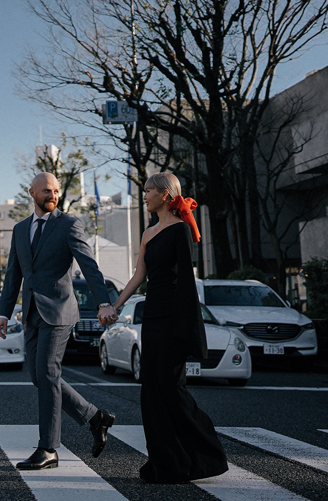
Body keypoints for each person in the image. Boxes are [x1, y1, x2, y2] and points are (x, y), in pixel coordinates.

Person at [107, 172, 229, 483]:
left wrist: (187, 328)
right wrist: (114, 307)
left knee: (172, 389)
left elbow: (187, 284)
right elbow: (138, 277)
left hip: (175, 318)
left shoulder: (180, 231)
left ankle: (206, 456)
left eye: (148, 191)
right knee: (151, 390)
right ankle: (166, 463)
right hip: (152, 318)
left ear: (164, 195)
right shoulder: (149, 234)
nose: (144, 195)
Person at [0, 172, 118, 471]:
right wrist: (3, 311)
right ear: (32, 192)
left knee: (48, 374)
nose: (52, 195)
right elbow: (14, 274)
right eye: (46, 191)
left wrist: (104, 302)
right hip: (33, 313)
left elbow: (88, 265)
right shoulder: (20, 229)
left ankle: (48, 448)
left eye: (56, 191)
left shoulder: (69, 225)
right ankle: (94, 417)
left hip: (60, 311)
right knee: (39, 377)